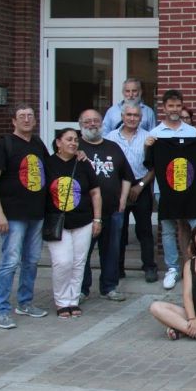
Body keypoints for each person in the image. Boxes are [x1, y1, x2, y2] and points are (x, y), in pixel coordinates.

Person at [0, 104, 50, 328]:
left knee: (31, 261)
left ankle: (25, 303)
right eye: (21, 116)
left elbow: (51, 168)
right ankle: (2, 311)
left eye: (30, 116)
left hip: (36, 213)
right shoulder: (4, 144)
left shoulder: (38, 143)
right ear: (14, 121)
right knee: (10, 262)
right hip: (13, 215)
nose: (26, 119)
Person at [148, 89, 196, 290]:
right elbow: (150, 163)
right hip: (164, 189)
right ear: (164, 108)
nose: (174, 109)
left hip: (191, 189)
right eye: (171, 106)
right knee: (168, 229)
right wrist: (147, 146)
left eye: (178, 106)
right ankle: (172, 268)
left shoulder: (192, 133)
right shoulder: (155, 134)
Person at [45, 128, 102, 319]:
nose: (73, 143)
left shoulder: (83, 163)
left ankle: (73, 300)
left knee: (79, 262)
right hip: (57, 222)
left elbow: (95, 192)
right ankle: (61, 301)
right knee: (62, 262)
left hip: (83, 221)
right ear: (58, 142)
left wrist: (97, 219)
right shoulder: (48, 164)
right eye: (69, 139)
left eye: (76, 140)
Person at [77, 109, 134, 302]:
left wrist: (123, 199)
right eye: (88, 121)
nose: (92, 124)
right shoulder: (76, 147)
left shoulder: (113, 147)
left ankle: (109, 287)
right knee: (83, 252)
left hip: (112, 210)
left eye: (96, 120)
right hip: (84, 212)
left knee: (111, 251)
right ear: (80, 125)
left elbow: (127, 176)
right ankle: (82, 289)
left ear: (102, 123)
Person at [106, 101, 158, 282]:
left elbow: (154, 167)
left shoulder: (148, 138)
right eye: (129, 115)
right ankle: (117, 268)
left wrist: (140, 185)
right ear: (122, 116)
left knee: (145, 230)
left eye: (136, 115)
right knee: (118, 231)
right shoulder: (111, 137)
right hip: (118, 188)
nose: (132, 118)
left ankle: (149, 267)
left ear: (141, 118)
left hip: (140, 186)